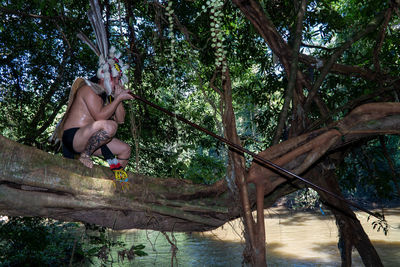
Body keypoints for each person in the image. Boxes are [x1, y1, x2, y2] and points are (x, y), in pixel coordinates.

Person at [61, 75, 134, 169]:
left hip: (91, 140)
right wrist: (118, 99)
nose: (117, 83)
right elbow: (100, 116)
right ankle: (85, 155)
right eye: (115, 79)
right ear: (103, 78)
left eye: (119, 80)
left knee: (125, 149)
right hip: (74, 137)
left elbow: (120, 120)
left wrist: (117, 99)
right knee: (110, 126)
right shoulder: (89, 89)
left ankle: (114, 181)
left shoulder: (107, 97)